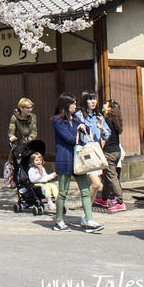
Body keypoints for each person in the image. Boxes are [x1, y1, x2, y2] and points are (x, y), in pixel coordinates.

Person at [51, 92, 103, 233]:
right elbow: (69, 138)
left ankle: (89, 219)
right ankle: (59, 220)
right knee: (63, 192)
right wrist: (79, 128)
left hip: (78, 160)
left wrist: (81, 125)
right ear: (65, 105)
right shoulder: (58, 120)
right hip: (65, 159)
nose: (75, 106)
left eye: (75, 103)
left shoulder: (76, 118)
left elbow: (85, 126)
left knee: (85, 190)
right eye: (72, 103)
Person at [79, 90, 110, 210]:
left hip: (97, 153)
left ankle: (87, 211)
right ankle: (86, 209)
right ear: (84, 101)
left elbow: (106, 135)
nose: (93, 102)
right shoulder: (79, 115)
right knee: (96, 183)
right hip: (85, 154)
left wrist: (102, 128)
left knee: (93, 185)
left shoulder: (99, 117)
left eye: (94, 99)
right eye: (90, 99)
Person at [5, 98, 37, 188]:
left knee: (27, 168)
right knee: (18, 169)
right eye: (28, 108)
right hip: (18, 146)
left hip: (28, 146)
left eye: (31, 107)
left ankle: (28, 188)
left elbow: (34, 130)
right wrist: (11, 137)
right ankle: (19, 188)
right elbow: (11, 129)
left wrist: (31, 137)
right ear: (21, 108)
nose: (30, 110)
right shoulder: (15, 117)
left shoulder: (33, 117)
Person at [101, 100, 126, 212]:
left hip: (109, 152)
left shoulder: (107, 120)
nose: (103, 105)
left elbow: (104, 137)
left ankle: (120, 202)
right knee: (107, 176)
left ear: (109, 108)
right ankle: (104, 199)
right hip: (116, 151)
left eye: (105, 104)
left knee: (112, 177)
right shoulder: (116, 120)